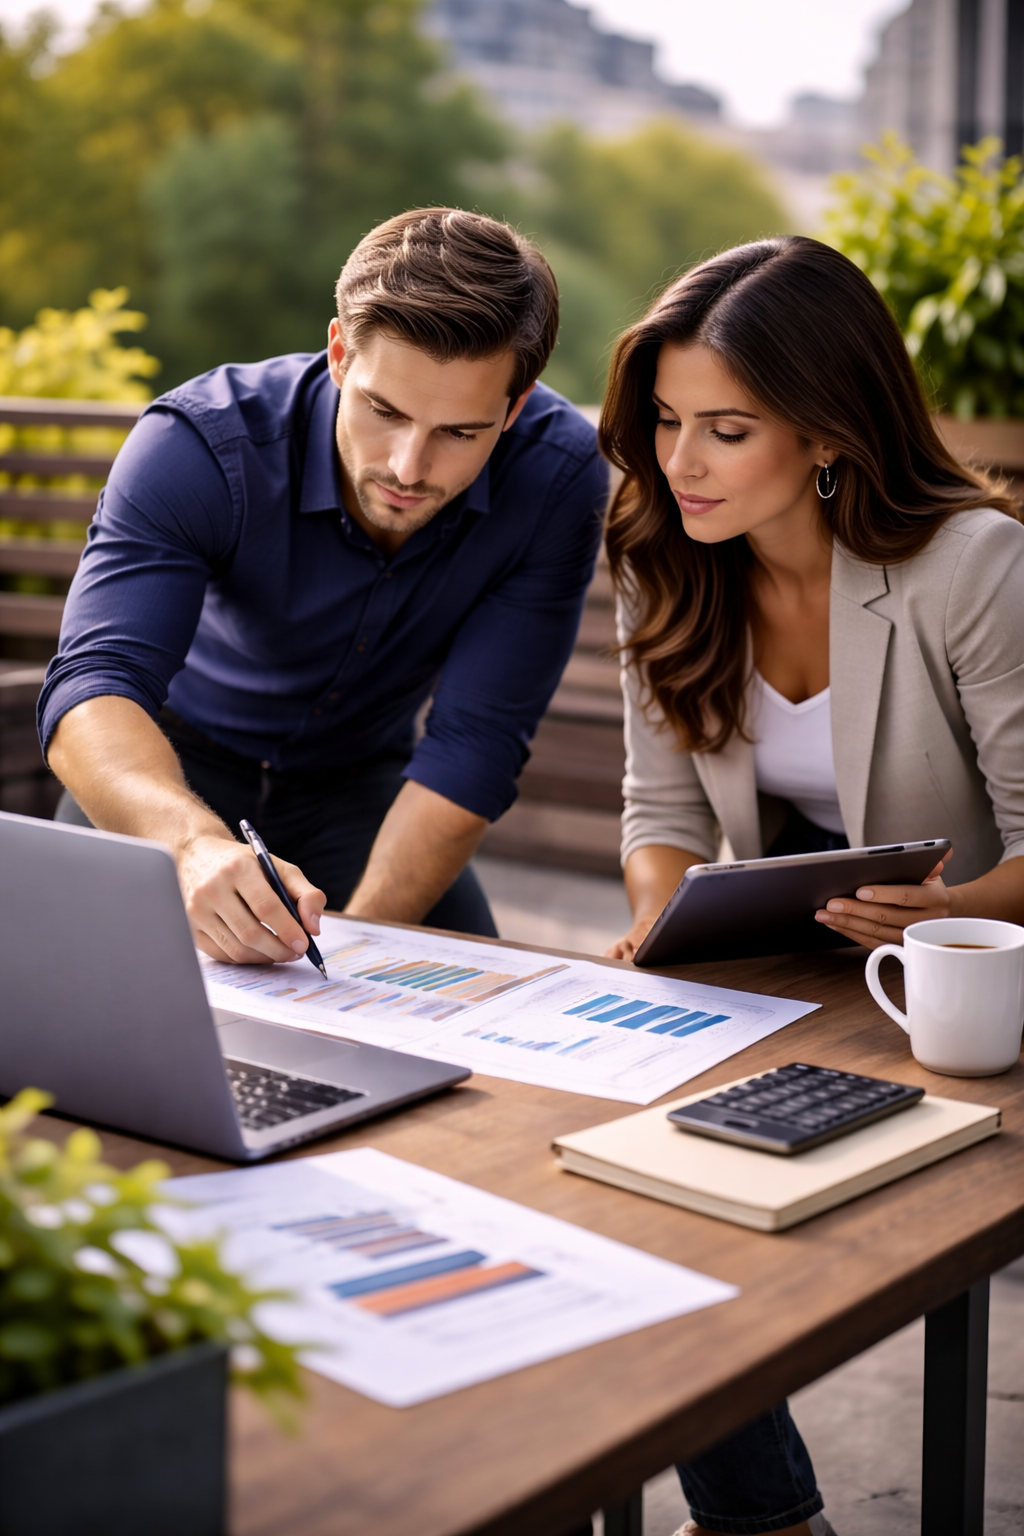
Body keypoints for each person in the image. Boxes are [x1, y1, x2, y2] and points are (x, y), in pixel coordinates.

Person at [598, 235, 1024, 1535]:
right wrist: (659, 918)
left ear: (829, 432)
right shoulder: (669, 558)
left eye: (726, 429)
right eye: (666, 423)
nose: (681, 463)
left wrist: (950, 915)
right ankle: (773, 1519)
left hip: (965, 974)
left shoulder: (971, 566)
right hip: (788, 963)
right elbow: (661, 813)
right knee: (628, 1182)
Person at [40, 209, 607, 965]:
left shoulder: (557, 479)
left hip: (366, 789)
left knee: (468, 1040)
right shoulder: (199, 446)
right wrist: (191, 845)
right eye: (385, 410)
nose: (409, 466)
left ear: (518, 401)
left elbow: (476, 743)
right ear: (340, 352)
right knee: (58, 1016)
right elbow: (93, 687)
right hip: (167, 772)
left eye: (460, 433)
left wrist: (358, 958)